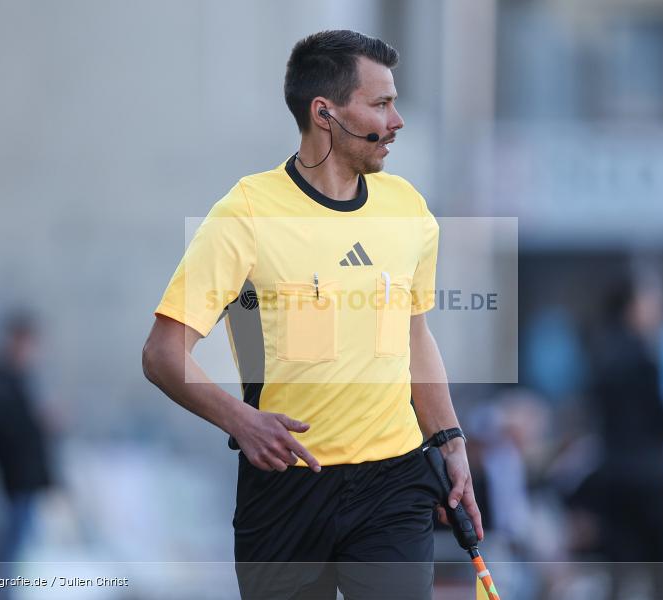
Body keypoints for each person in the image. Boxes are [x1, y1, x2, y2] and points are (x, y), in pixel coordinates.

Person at [142, 30, 483, 599]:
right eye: (380, 104)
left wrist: (450, 442)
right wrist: (240, 420)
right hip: (285, 488)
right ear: (325, 113)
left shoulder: (409, 208)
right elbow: (162, 353)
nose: (396, 120)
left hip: (394, 481)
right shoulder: (246, 213)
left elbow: (414, 335)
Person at [588, 276, 663, 600]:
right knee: (661, 570)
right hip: (648, 478)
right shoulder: (646, 358)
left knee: (619, 571)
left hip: (613, 474)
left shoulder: (599, 352)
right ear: (631, 309)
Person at [0, 310, 54, 566]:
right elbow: (7, 428)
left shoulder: (15, 381)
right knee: (7, 554)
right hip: (9, 482)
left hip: (22, 483)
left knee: (17, 553)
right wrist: (39, 421)